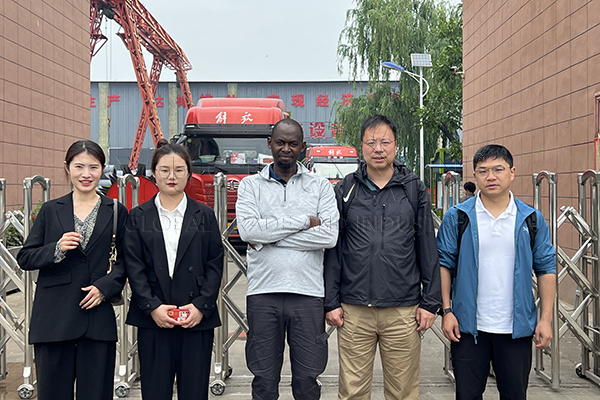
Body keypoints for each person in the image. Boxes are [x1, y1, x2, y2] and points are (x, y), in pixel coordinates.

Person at [324, 115, 441, 400]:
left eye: (385, 142)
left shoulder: (413, 188)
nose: (378, 148)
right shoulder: (346, 189)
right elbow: (334, 249)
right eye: (371, 142)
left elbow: (427, 246)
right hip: (353, 310)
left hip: (403, 310)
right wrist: (331, 300)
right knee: (352, 391)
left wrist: (430, 302)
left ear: (396, 146)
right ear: (361, 147)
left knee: (402, 392)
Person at [436, 144, 556, 400]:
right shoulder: (458, 217)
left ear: (512, 172)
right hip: (467, 329)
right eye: (483, 171)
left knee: (514, 395)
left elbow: (546, 268)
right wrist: (446, 311)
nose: (491, 176)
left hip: (516, 330)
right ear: (475, 175)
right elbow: (444, 265)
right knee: (467, 395)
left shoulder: (531, 219)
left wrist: (545, 320)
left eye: (498, 169)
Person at [236, 118, 339, 400]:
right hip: (263, 294)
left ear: (303, 147)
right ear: (269, 143)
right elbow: (248, 230)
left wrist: (270, 236)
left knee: (307, 379)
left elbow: (329, 237)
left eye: (293, 143)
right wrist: (305, 221)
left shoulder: (320, 187)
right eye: (280, 142)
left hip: (308, 295)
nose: (286, 149)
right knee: (264, 379)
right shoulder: (250, 186)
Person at [17, 140, 127, 400]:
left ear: (102, 169)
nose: (86, 174)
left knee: (97, 394)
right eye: (79, 166)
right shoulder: (50, 210)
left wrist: (105, 287)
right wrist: (56, 248)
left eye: (93, 167)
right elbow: (25, 257)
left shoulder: (115, 211)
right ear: (66, 168)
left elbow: (127, 262)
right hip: (54, 320)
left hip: (96, 319)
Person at [123, 139, 224, 400]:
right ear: (154, 172)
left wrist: (201, 306)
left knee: (194, 392)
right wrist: (152, 307)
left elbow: (215, 263)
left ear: (189, 174)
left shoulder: (204, 215)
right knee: (155, 391)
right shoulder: (138, 216)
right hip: (154, 318)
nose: (172, 176)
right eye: (164, 169)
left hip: (195, 318)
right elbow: (134, 267)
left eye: (179, 170)